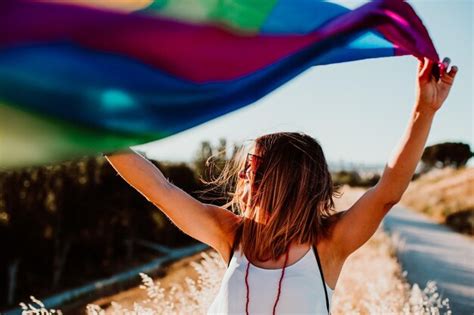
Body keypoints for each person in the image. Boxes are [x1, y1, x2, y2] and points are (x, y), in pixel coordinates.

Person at [104, 57, 458, 314]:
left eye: (253, 167)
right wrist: (98, 135)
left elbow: (387, 193)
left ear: (285, 179)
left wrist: (422, 112)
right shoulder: (231, 234)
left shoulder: (329, 244)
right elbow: (160, 189)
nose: (242, 175)